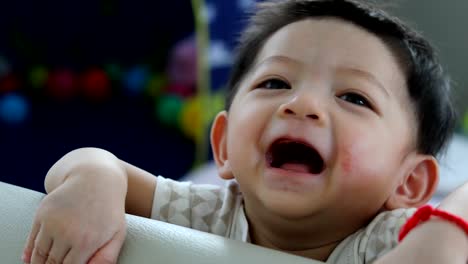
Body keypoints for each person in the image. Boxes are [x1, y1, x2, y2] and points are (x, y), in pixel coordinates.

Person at [22, 0, 468, 263]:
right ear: (223, 146)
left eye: (354, 97)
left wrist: (446, 234)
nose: (301, 104)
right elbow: (92, 162)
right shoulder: (211, 216)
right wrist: (93, 180)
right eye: (275, 83)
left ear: (408, 181)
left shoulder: (393, 238)